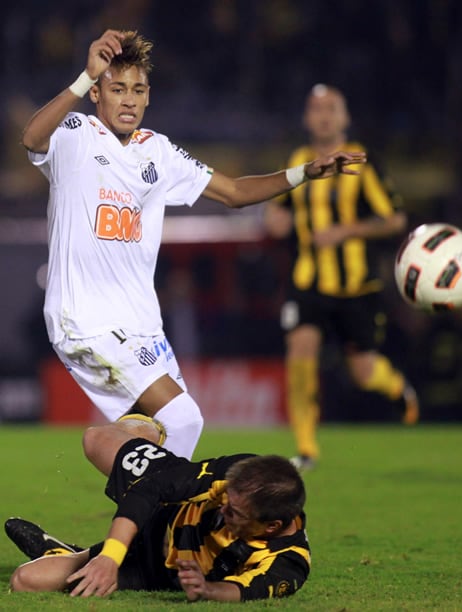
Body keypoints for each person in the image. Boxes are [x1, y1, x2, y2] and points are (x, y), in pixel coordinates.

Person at [22, 30, 366, 460]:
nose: (128, 99)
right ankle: (147, 522)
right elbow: (33, 139)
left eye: (138, 90)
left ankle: (132, 520)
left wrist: (303, 173)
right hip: (87, 319)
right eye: (116, 89)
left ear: (149, 97)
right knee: (185, 419)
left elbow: (235, 193)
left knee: (162, 439)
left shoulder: (159, 153)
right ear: (96, 93)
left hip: (142, 324)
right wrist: (80, 78)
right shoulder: (77, 133)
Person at [264, 84, 419, 471]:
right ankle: (306, 448)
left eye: (332, 108)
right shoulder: (298, 160)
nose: (324, 115)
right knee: (300, 353)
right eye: (316, 108)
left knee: (364, 372)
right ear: (306, 118)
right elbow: (278, 210)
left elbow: (396, 219)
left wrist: (346, 231)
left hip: (357, 287)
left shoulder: (364, 163)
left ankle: (397, 388)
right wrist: (275, 219)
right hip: (308, 284)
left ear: (345, 118)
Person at [5, 421, 310, 602]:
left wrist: (206, 589)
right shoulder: (240, 474)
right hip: (168, 507)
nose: (222, 510)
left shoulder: (289, 563)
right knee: (95, 438)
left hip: (153, 568)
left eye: (235, 514)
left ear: (271, 527)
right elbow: (149, 489)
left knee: (25, 581)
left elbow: (244, 592)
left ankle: (70, 554)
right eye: (225, 500)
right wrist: (110, 557)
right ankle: (149, 428)